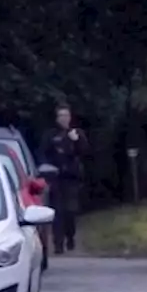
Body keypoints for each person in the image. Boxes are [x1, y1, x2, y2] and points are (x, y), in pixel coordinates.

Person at [40, 104, 89, 254]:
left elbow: (85, 152)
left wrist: (76, 140)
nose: (64, 118)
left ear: (70, 117)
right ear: (57, 118)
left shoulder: (76, 133)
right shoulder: (50, 135)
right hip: (55, 178)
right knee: (57, 212)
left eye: (66, 115)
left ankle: (70, 237)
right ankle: (58, 244)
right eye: (61, 115)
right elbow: (43, 153)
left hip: (72, 179)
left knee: (70, 211)